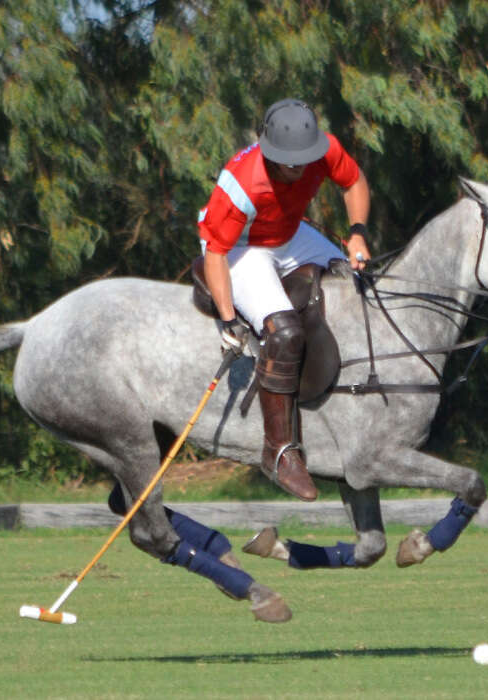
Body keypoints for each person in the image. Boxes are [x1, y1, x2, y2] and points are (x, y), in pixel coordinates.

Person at [197, 98, 371, 501]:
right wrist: (228, 320)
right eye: (287, 161)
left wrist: (357, 232)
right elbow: (216, 253)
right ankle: (278, 452)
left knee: (360, 284)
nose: (296, 168)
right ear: (268, 149)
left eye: (303, 161)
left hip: (290, 235)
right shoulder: (241, 181)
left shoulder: (323, 149)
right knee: (286, 331)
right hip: (240, 248)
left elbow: (354, 181)